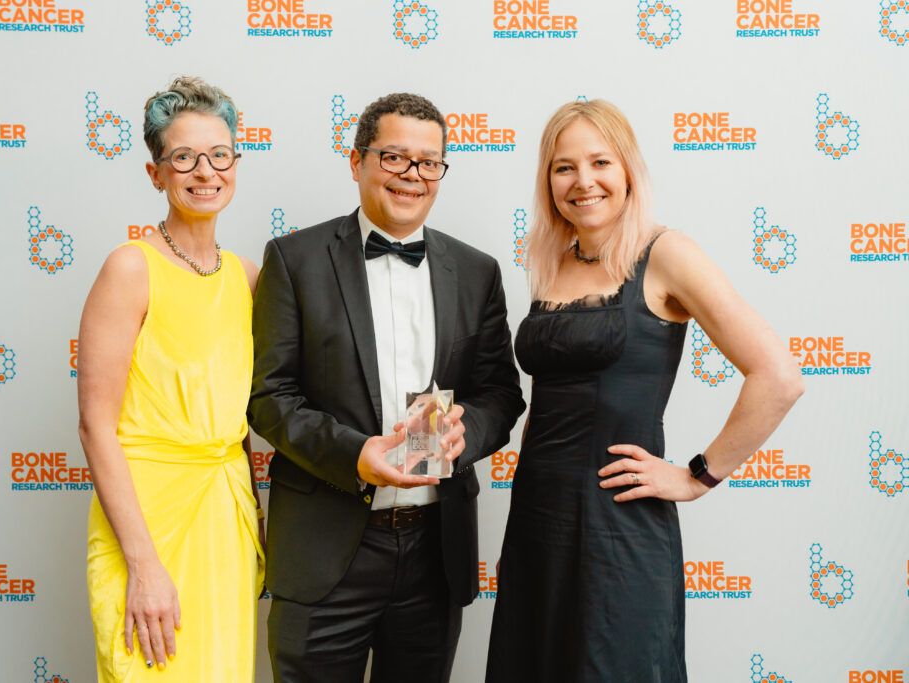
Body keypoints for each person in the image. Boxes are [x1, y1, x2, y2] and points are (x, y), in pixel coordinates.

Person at [485, 100, 804, 682]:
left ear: (628, 169)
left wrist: (695, 476)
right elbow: (550, 398)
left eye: (600, 161)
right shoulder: (551, 261)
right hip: (536, 522)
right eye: (563, 167)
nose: (583, 181)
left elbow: (779, 376)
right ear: (547, 179)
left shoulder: (667, 254)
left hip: (618, 530)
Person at [248, 92, 526, 682]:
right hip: (326, 551)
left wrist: (462, 436)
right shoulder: (294, 259)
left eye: (429, 163)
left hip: (435, 553)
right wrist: (357, 454)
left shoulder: (477, 272)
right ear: (357, 162)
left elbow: (500, 393)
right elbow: (270, 398)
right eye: (395, 158)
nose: (412, 176)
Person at [77, 76, 264, 682]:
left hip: (225, 514)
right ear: (157, 172)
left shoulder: (249, 277)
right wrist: (143, 565)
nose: (204, 171)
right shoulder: (130, 267)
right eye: (183, 157)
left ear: (236, 163)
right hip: (147, 521)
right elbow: (95, 425)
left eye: (219, 155)